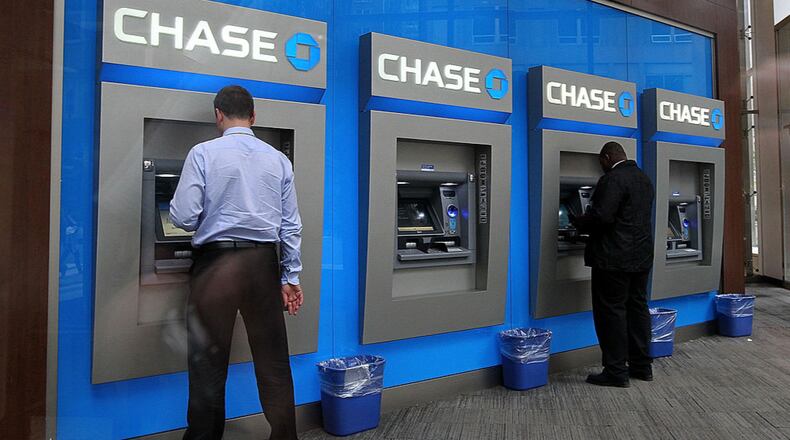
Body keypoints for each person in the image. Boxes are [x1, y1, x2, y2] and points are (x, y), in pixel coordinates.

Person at [170, 85, 304, 440]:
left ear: (218, 115)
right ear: (253, 116)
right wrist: (290, 276)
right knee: (273, 361)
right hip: (263, 262)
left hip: (216, 265)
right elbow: (291, 225)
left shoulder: (202, 153)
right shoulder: (278, 159)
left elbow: (183, 215)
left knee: (207, 364)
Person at [570, 141, 655, 388]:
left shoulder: (613, 179)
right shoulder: (643, 179)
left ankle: (616, 371)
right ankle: (642, 366)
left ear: (607, 158)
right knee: (638, 308)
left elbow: (603, 216)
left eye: (601, 162)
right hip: (640, 257)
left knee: (611, 313)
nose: (602, 166)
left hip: (614, 259)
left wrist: (578, 223)